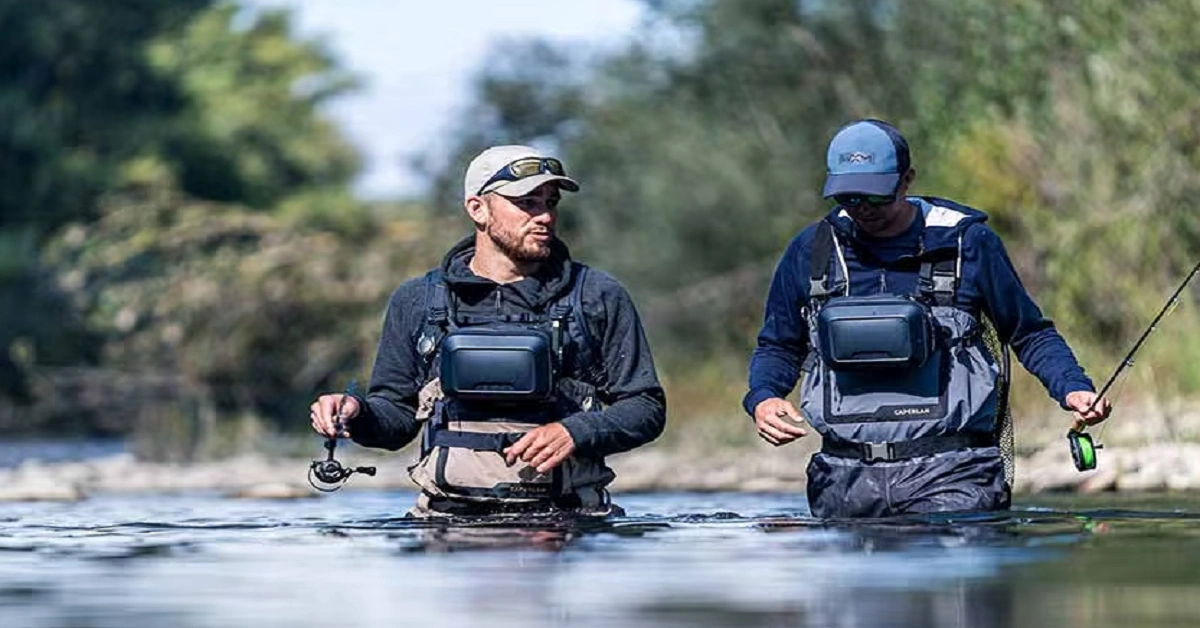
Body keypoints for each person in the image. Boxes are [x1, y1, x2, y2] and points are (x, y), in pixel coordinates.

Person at [744, 119, 1112, 518]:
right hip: (842, 479)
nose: (863, 209)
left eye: (875, 196)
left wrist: (1073, 389)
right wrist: (764, 397)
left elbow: (1028, 333)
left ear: (907, 181)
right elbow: (779, 345)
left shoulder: (966, 243)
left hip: (953, 474)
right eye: (849, 198)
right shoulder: (810, 251)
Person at [310, 145, 666, 518]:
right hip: (445, 526)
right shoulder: (418, 300)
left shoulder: (597, 295)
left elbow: (645, 408)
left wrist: (576, 432)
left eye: (550, 202)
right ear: (477, 209)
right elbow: (396, 420)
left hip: (570, 524)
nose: (544, 216)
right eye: (527, 202)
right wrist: (355, 413)